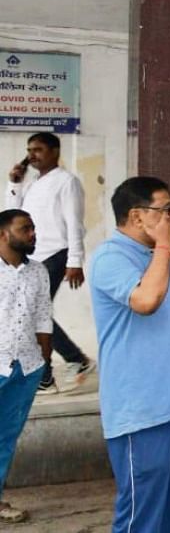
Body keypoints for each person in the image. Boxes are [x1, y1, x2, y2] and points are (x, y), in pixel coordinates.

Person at [90, 177, 170, 532]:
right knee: (141, 516)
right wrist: (164, 249)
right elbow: (145, 301)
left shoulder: (162, 260)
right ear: (137, 216)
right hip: (143, 410)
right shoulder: (110, 257)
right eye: (165, 209)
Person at [5, 132, 93, 394]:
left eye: (38, 150)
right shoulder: (32, 182)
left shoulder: (66, 182)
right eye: (29, 150)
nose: (32, 155)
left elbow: (74, 223)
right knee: (35, 314)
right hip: (35, 255)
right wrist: (15, 183)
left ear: (55, 152)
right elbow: (11, 217)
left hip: (57, 253)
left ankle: (51, 374)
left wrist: (74, 260)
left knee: (33, 314)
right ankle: (71, 362)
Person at [0, 209, 51, 524]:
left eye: (33, 227)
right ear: (4, 234)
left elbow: (44, 315)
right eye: (25, 228)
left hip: (26, 366)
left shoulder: (39, 271)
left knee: (6, 436)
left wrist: (45, 362)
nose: (32, 233)